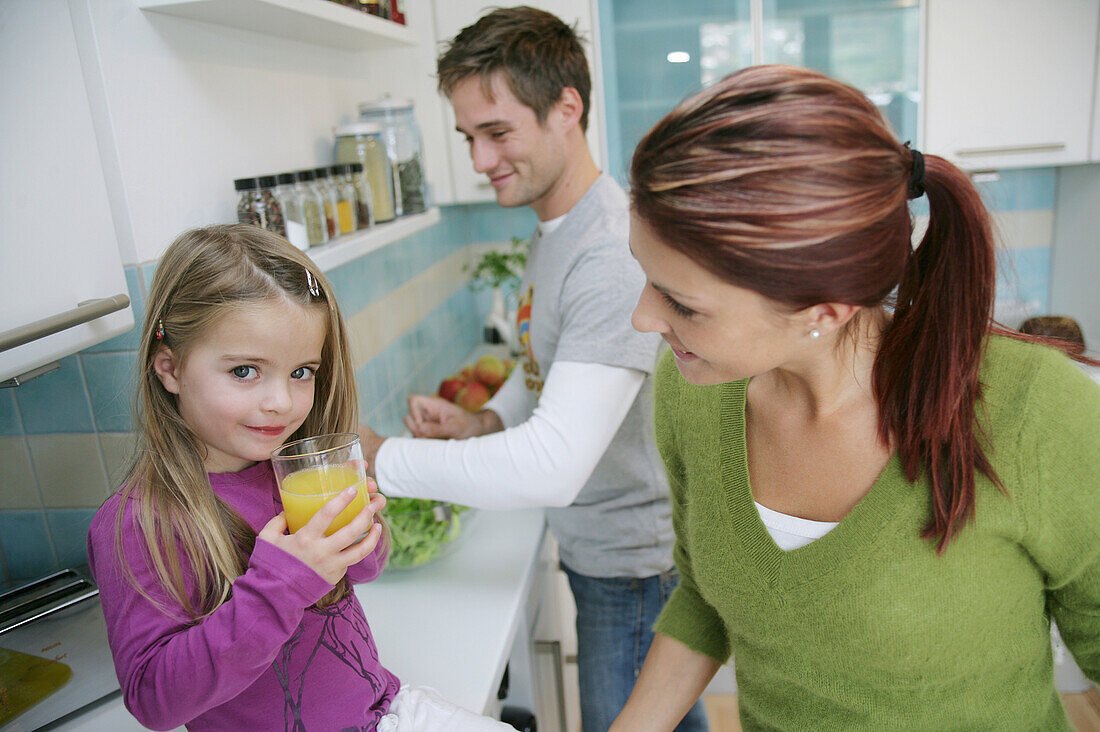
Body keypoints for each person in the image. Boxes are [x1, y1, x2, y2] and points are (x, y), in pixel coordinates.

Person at [610, 65, 1100, 730]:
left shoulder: (1031, 409)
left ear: (825, 310)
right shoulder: (694, 387)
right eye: (647, 277)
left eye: (682, 303)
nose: (644, 319)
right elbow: (704, 596)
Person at [357, 7, 709, 731]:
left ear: (566, 109)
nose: (480, 160)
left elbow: (553, 464)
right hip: (606, 553)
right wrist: (484, 419)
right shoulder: (558, 228)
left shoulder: (609, 250)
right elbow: (550, 360)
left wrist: (383, 459)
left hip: (631, 567)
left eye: (497, 133)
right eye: (468, 137)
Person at [87, 224, 513, 731]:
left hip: (381, 714)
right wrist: (279, 584)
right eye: (245, 371)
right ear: (170, 369)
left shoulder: (289, 469)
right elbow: (155, 701)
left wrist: (362, 534)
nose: (282, 403)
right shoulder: (140, 522)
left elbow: (362, 573)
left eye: (302, 372)